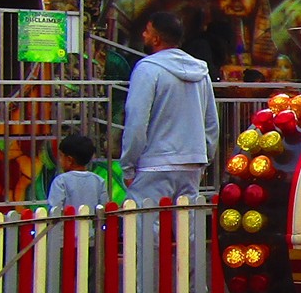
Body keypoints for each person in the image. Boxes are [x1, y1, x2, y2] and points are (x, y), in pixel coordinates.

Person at [120, 11, 219, 204]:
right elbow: (211, 122)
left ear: (156, 39)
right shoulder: (201, 72)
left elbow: (136, 121)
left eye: (147, 31)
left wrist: (128, 166)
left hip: (154, 164)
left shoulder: (147, 69)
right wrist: (205, 156)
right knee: (186, 227)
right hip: (192, 163)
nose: (143, 35)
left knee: (146, 229)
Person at [47, 133, 106, 212]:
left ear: (69, 160)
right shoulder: (99, 181)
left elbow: (54, 210)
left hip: (67, 224)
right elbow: (103, 209)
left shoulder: (60, 181)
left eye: (61, 156)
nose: (59, 160)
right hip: (90, 224)